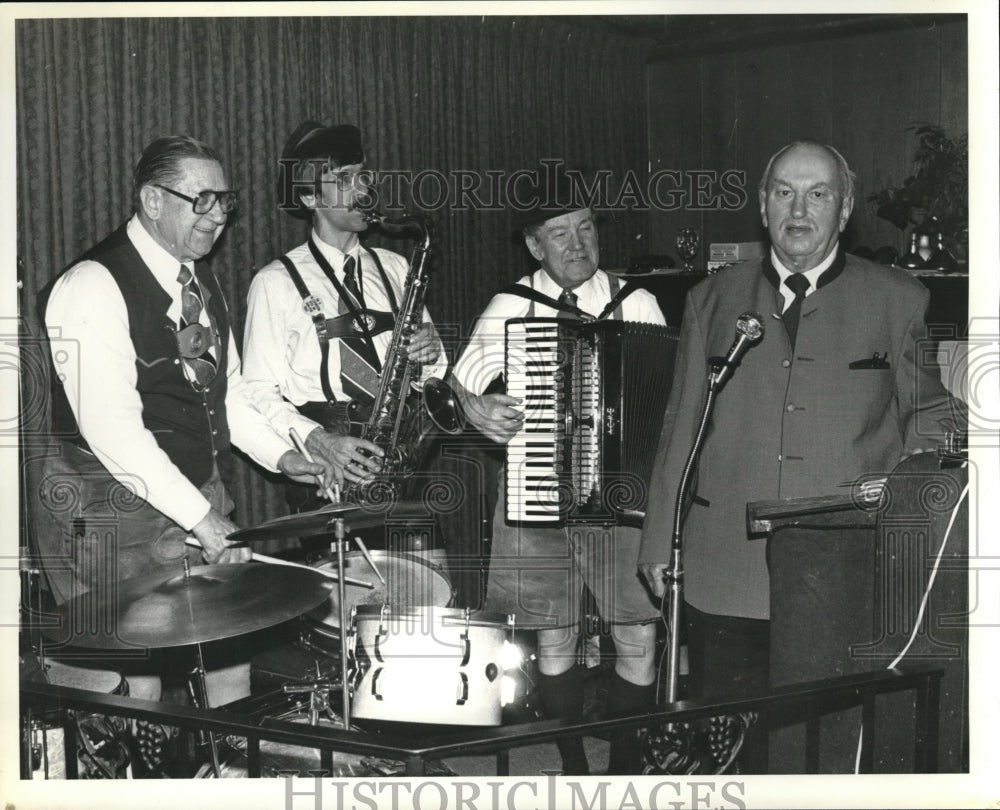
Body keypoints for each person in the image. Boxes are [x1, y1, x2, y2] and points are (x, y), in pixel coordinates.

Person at [638, 141, 965, 772]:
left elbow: (925, 408)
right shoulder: (710, 298)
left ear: (843, 212)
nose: (799, 209)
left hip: (838, 566)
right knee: (726, 746)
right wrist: (657, 537)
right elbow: (680, 424)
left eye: (819, 194)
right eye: (784, 192)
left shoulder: (899, 300)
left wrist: (950, 445)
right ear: (763, 207)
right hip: (723, 562)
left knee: (820, 744)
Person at [35, 135, 333, 701]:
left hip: (191, 498)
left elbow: (227, 394)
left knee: (229, 656)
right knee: (134, 687)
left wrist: (285, 456)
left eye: (225, 200)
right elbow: (114, 431)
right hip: (106, 514)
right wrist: (203, 518)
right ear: (151, 200)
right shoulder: (93, 286)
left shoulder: (198, 278)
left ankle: (229, 783)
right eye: (202, 200)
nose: (219, 215)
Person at [450, 168, 665, 775]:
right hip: (537, 488)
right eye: (560, 234)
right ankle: (572, 765)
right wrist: (479, 411)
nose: (578, 245)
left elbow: (664, 401)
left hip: (623, 498)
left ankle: (622, 770)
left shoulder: (636, 302)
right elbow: (456, 387)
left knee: (637, 635)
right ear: (534, 245)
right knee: (554, 635)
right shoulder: (512, 305)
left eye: (586, 228)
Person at [242, 121, 447, 507]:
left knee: (423, 571)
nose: (363, 190)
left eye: (362, 176)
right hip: (328, 469)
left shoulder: (397, 267)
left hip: (399, 460)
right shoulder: (274, 282)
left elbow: (430, 377)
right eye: (344, 179)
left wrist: (430, 356)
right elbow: (256, 389)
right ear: (308, 198)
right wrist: (317, 440)